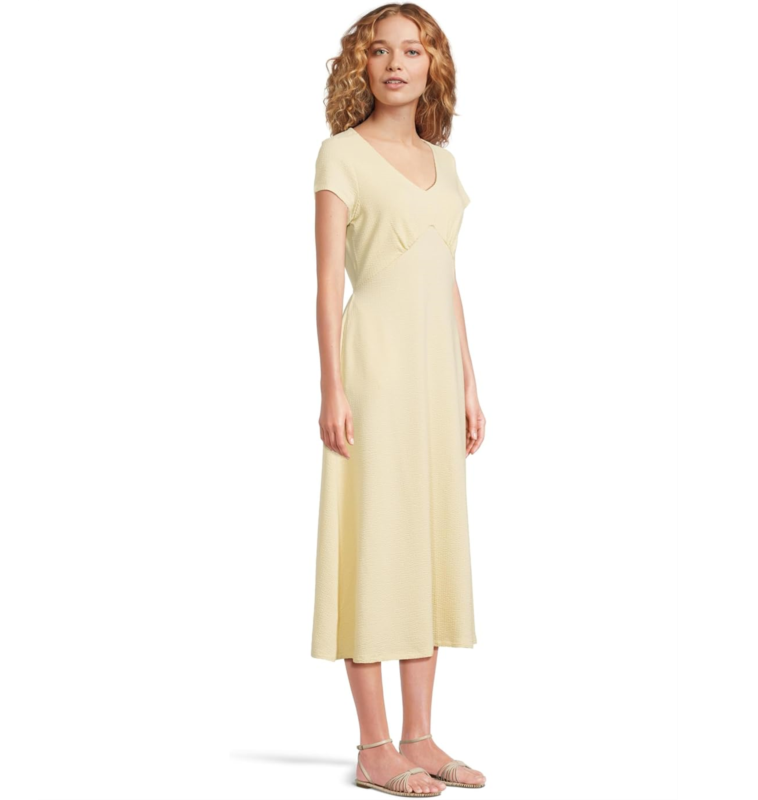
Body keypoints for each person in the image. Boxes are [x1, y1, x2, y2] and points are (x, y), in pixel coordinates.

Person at [311, 4, 487, 795]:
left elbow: (446, 279)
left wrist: (470, 381)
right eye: (379, 51)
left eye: (411, 51)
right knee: (375, 538)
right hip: (375, 368)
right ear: (362, 65)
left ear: (431, 66)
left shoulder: (444, 164)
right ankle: (374, 747)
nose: (394, 64)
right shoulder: (340, 154)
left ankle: (420, 736)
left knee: (427, 540)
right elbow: (326, 284)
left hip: (435, 372)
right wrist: (332, 387)